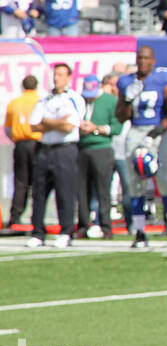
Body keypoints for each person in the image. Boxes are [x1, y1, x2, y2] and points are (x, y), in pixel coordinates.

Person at [115, 45, 167, 249]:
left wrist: (153, 135)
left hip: (159, 133)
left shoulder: (164, 79)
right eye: (139, 58)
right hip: (135, 131)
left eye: (146, 58)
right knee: (135, 183)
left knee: (165, 181)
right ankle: (139, 232)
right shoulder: (127, 81)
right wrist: (127, 98)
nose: (143, 62)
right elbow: (121, 117)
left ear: (153, 60)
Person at [26, 63, 86, 248]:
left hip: (65, 149)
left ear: (69, 77)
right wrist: (56, 122)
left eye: (61, 74)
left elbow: (69, 125)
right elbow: (34, 124)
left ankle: (66, 231)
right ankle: (38, 232)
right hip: (45, 148)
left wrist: (48, 122)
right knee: (39, 192)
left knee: (65, 192)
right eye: (55, 74)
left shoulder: (74, 98)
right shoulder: (45, 98)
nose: (56, 78)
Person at [76, 74, 120, 239]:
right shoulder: (80, 100)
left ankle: (105, 226)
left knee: (103, 190)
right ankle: (82, 225)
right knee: (81, 190)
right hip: (82, 147)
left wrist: (96, 128)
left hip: (102, 147)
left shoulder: (110, 101)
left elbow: (116, 127)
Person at [3, 74, 41, 230]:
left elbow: (7, 128)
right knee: (38, 182)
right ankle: (36, 216)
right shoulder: (40, 101)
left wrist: (16, 138)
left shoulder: (15, 103)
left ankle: (15, 216)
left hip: (20, 144)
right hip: (37, 143)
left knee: (20, 182)